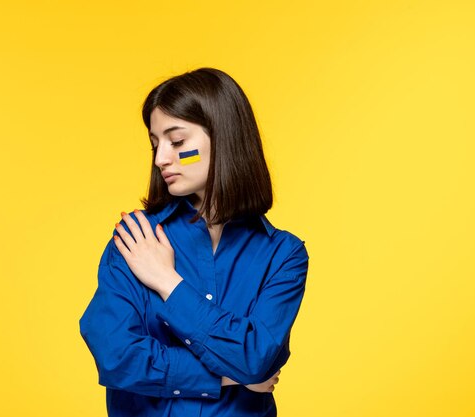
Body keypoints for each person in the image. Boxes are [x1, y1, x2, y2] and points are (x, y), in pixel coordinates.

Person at [79, 67, 309, 417]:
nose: (160, 159)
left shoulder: (283, 255)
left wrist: (168, 283)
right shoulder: (135, 240)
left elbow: (257, 357)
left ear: (224, 137)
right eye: (156, 144)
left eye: (178, 142)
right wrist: (228, 377)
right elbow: (116, 356)